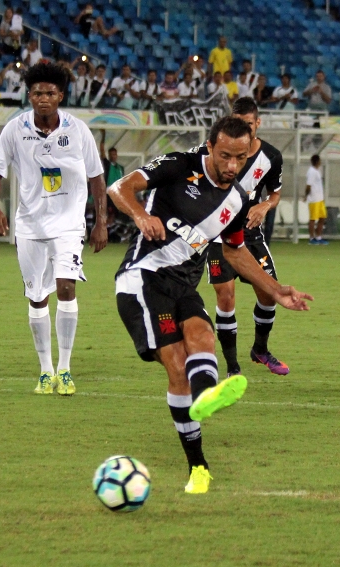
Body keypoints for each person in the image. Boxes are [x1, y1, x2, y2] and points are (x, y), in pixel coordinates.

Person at [107, 116, 312, 494]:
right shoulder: (178, 166)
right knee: (177, 365)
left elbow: (235, 251)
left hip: (185, 285)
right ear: (210, 147)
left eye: (240, 157)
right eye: (224, 156)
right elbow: (119, 187)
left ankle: (205, 399)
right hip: (143, 278)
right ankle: (198, 465)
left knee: (203, 337)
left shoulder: (239, 199)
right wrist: (140, 214)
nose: (232, 166)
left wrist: (276, 289)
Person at [0, 61, 108, 396]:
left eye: (50, 93)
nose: (44, 98)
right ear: (29, 95)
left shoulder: (78, 130)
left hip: (69, 223)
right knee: (37, 296)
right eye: (38, 92)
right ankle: (45, 371)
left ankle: (65, 370)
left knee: (67, 288)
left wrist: (101, 220)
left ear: (61, 95)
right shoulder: (14, 129)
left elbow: (97, 177)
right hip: (29, 224)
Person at [202, 98, 287, 377]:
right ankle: (232, 368)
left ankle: (260, 350)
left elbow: (275, 192)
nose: (244, 131)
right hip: (217, 236)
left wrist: (265, 205)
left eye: (249, 125)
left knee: (270, 293)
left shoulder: (271, 157)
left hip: (250, 236)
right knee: (225, 296)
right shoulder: (220, 152)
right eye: (239, 124)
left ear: (257, 123)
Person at [303, 154, 327, 244]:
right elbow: (308, 185)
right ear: (317, 161)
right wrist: (306, 195)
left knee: (322, 218)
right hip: (314, 199)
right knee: (313, 219)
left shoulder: (317, 171)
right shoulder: (311, 171)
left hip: (320, 199)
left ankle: (318, 237)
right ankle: (311, 238)